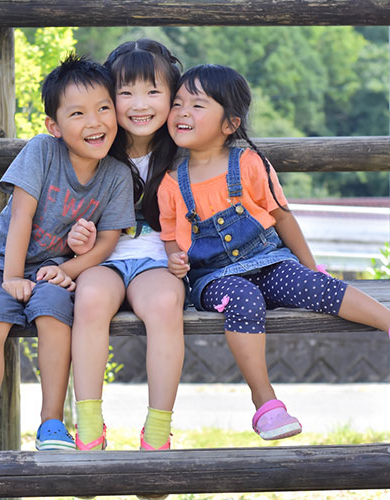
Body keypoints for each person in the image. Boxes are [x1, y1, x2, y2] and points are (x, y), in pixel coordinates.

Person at [158, 63, 390, 441]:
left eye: (197, 106)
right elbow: (171, 235)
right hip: (214, 278)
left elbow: (282, 217)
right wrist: (174, 258)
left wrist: (312, 266)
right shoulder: (171, 182)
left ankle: (386, 320)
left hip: (269, 261)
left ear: (229, 124)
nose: (182, 112)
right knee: (244, 299)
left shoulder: (248, 163)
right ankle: (265, 403)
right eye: (179, 103)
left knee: (312, 286)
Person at [0, 54, 136, 452]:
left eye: (104, 108)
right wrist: (12, 276)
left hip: (53, 269)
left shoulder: (117, 174)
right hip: (3, 261)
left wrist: (67, 268)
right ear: (55, 125)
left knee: (54, 312)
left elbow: (108, 241)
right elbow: (21, 217)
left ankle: (51, 423)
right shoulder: (42, 151)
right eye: (78, 113)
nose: (95, 121)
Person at [68, 39, 185, 458]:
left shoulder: (182, 149)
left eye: (153, 91)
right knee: (91, 296)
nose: (140, 104)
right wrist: (75, 239)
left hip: (157, 258)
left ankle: (157, 430)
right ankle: (88, 425)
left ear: (173, 95)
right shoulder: (95, 146)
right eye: (126, 92)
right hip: (103, 256)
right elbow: (66, 206)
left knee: (167, 302)